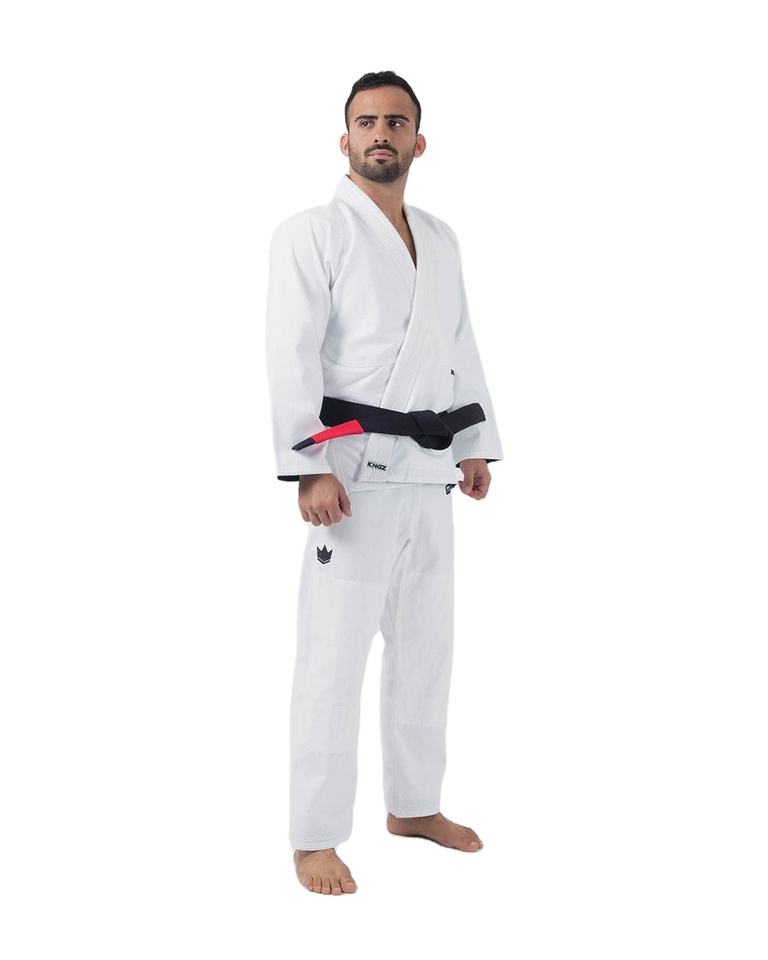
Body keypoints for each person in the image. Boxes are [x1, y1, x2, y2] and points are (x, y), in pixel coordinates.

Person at [265, 71, 504, 895]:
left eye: (396, 122)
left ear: (418, 141)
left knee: (426, 651)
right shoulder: (313, 233)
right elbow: (291, 351)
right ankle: (315, 835)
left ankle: (414, 805)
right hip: (353, 473)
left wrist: (473, 444)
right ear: (344, 140)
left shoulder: (440, 237)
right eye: (366, 121)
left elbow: (458, 344)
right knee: (332, 660)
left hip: (430, 474)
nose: (380, 133)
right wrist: (307, 466)